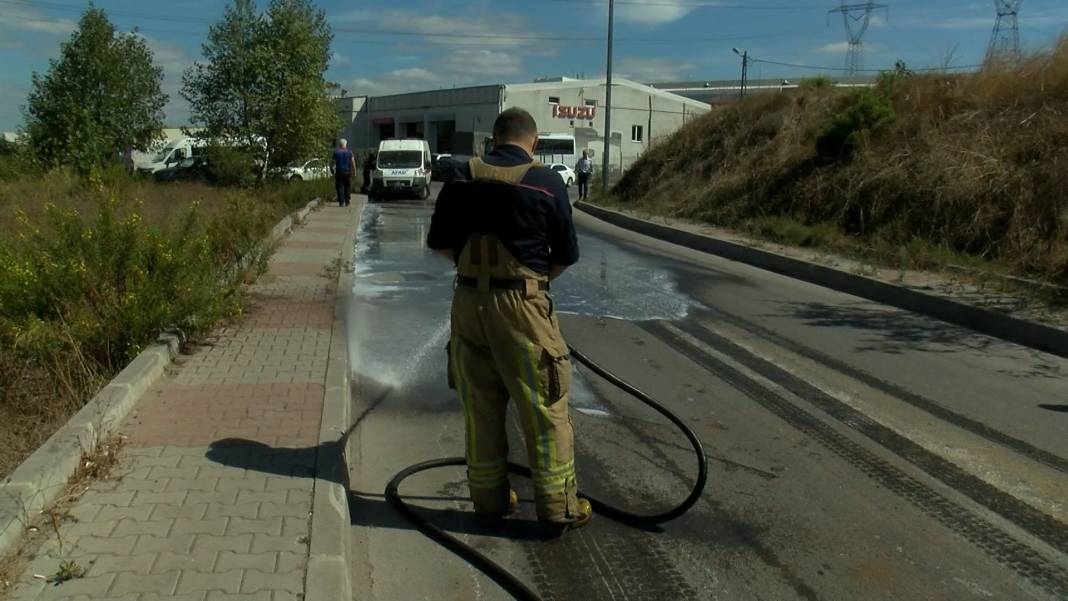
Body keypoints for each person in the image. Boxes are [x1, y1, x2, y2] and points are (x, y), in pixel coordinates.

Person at [427, 107, 590, 539]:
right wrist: (530, 284)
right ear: (532, 142)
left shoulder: (461, 176)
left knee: (480, 406)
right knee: (544, 408)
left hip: (468, 304)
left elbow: (440, 245)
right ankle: (557, 507)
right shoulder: (547, 181)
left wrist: (477, 274)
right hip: (524, 306)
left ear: (494, 140)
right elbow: (565, 256)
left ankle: (488, 503)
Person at [332, 138, 356, 207]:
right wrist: (354, 171)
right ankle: (347, 201)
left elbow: (332, 162)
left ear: (340, 144)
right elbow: (353, 162)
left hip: (339, 172)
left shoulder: (336, 152)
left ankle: (341, 202)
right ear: (346, 144)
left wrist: (332, 169)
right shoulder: (349, 152)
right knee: (347, 186)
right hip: (347, 172)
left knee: (339, 187)